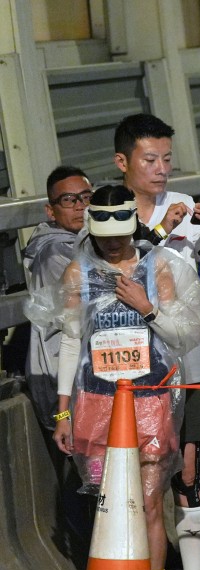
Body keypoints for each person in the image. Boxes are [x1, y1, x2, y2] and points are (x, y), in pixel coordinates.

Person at [47, 185, 200, 570]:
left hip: (150, 400)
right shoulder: (77, 272)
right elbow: (69, 341)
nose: (113, 241)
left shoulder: (158, 267)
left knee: (150, 503)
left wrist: (147, 308)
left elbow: (185, 335)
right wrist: (63, 411)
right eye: (104, 233)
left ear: (134, 226)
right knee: (109, 503)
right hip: (95, 404)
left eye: (121, 231)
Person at [113, 112, 200, 570]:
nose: (161, 170)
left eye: (166, 159)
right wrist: (162, 228)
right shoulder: (110, 210)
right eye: (149, 160)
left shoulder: (185, 208)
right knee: (139, 478)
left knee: (187, 471)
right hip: (131, 369)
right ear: (123, 162)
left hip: (191, 363)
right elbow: (123, 261)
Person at [24, 167, 92, 428]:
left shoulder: (88, 242)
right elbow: (87, 310)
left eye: (86, 197)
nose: (80, 206)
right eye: (69, 200)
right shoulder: (54, 252)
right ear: (51, 211)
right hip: (66, 380)